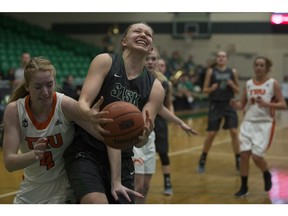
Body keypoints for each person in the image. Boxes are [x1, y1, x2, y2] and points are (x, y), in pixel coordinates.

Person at [63, 22, 165, 204]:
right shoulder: (105, 62)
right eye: (137, 31)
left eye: (148, 34)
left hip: (123, 157)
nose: (143, 34)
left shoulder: (155, 88)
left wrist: (145, 134)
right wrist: (89, 114)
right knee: (97, 203)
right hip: (87, 150)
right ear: (124, 41)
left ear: (150, 49)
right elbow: (83, 103)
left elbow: (139, 139)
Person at [1, 56, 116, 203]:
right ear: (27, 87)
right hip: (30, 190)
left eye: (49, 85)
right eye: (38, 87)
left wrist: (129, 133)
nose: (45, 91)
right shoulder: (14, 110)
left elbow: (105, 135)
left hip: (64, 192)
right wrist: (34, 154)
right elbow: (9, 163)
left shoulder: (64, 105)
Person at [133, 48, 199, 203]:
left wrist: (181, 123)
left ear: (158, 61)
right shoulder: (134, 79)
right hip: (135, 137)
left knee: (146, 186)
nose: (150, 61)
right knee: (138, 185)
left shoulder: (159, 83)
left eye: (154, 59)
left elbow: (161, 108)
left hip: (150, 135)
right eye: (148, 58)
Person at [230, 56, 287, 197]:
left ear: (267, 68)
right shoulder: (249, 84)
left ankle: (266, 173)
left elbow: (283, 104)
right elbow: (242, 105)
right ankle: (244, 187)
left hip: (265, 123)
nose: (258, 67)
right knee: (244, 156)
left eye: (262, 65)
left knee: (256, 157)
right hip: (248, 122)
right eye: (256, 65)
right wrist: (234, 104)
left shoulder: (273, 83)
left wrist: (268, 104)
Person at [197, 50, 240, 173]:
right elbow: (205, 90)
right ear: (216, 59)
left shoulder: (233, 72)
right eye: (219, 56)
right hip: (215, 104)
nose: (221, 58)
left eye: (223, 56)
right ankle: (202, 159)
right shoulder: (211, 72)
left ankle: (238, 160)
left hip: (229, 104)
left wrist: (232, 85)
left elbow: (237, 90)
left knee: (234, 132)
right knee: (211, 134)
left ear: (227, 59)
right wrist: (211, 88)